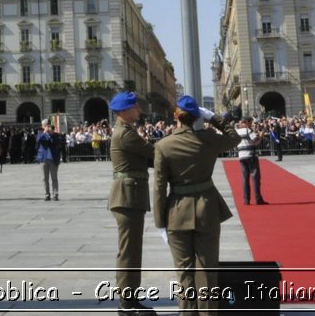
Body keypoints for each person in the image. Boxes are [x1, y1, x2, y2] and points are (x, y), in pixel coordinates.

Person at [153, 96, 240, 315]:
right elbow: (234, 137)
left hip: (176, 212)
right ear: (197, 117)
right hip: (206, 208)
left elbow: (159, 188)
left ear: (176, 116)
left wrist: (160, 222)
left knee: (184, 272)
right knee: (207, 270)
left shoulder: (163, 145)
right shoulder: (209, 138)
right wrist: (214, 117)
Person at [107, 91, 153, 314]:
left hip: (130, 195)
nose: (139, 110)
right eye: (135, 107)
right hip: (128, 196)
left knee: (133, 250)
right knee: (129, 251)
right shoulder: (126, 134)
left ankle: (131, 298)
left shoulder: (126, 131)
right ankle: (127, 302)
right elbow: (153, 153)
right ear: (125, 111)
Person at [234, 119, 266, 205]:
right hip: (250, 155)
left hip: (241, 156)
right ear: (246, 122)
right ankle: (258, 198)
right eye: (250, 122)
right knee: (255, 178)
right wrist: (261, 136)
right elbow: (255, 142)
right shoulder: (249, 130)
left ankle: (246, 200)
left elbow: (234, 144)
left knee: (245, 178)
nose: (251, 124)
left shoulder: (236, 131)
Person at [36, 120, 61, 200]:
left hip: (53, 159)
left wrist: (51, 134)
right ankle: (47, 194)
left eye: (48, 125)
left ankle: (55, 194)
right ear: (42, 126)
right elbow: (38, 140)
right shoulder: (40, 134)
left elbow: (56, 142)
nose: (47, 127)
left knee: (54, 177)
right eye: (45, 125)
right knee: (45, 178)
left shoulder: (55, 134)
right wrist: (44, 133)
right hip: (43, 159)